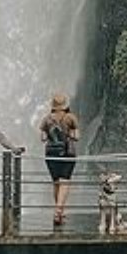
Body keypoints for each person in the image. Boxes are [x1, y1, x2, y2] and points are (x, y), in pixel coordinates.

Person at [39, 92, 79, 226]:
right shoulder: (71, 117)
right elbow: (77, 137)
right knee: (65, 181)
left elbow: (43, 138)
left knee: (56, 183)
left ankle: (60, 212)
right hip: (68, 153)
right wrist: (70, 134)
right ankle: (58, 210)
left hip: (51, 154)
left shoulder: (46, 119)